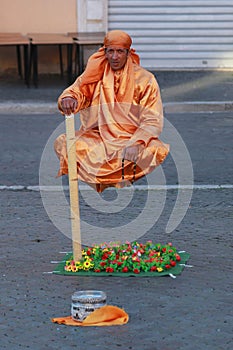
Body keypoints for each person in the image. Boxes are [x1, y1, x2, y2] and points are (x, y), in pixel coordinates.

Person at [54, 30, 169, 192]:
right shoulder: (95, 73)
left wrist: (137, 142)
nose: (115, 57)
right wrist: (69, 99)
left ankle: (120, 173)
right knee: (66, 143)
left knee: (156, 149)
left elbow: (152, 119)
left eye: (120, 51)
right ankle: (107, 176)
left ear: (128, 53)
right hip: (98, 136)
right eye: (111, 51)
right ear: (104, 51)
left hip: (130, 139)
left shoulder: (145, 79)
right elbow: (77, 91)